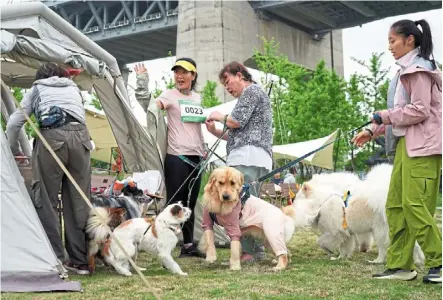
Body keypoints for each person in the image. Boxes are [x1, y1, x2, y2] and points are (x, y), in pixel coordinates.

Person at [352, 19, 442, 283]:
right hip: (407, 145)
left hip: (424, 147)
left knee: (414, 205)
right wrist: (372, 129)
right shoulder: (404, 70)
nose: (389, 46)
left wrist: (384, 116)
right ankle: (401, 265)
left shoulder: (419, 69)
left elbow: (420, 110)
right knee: (395, 206)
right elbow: (399, 115)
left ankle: (439, 261)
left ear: (409, 40)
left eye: (393, 40)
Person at [6, 62, 92, 275]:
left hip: (52, 140)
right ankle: (80, 261)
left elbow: (14, 124)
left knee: (46, 200)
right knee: (79, 200)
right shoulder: (73, 89)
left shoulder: (37, 89)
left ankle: (56, 259)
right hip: (82, 139)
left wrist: (13, 149)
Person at [134, 59, 206, 258]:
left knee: (191, 202)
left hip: (197, 157)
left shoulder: (198, 98)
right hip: (176, 156)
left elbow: (196, 127)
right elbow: (150, 107)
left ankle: (189, 245)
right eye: (177, 72)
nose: (180, 76)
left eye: (185, 72)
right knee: (175, 202)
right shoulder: (169, 95)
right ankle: (164, 244)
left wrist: (204, 147)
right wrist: (142, 82)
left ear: (193, 75)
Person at [205, 61, 273, 263]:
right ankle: (256, 250)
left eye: (227, 81)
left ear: (240, 75)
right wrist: (216, 132)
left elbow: (236, 122)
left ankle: (247, 252)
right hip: (254, 155)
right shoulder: (255, 94)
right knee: (252, 205)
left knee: (240, 205)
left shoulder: (250, 91)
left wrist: (218, 116)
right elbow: (239, 133)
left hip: (247, 156)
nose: (227, 87)